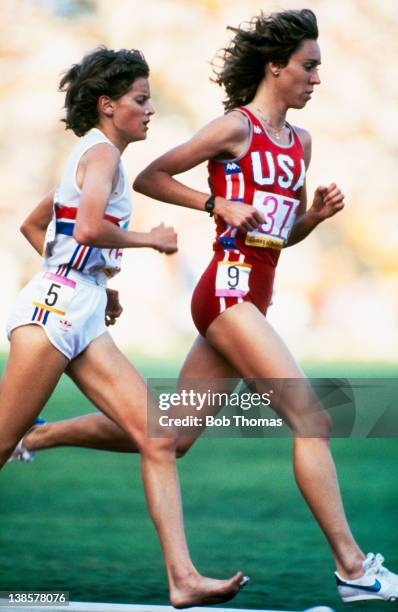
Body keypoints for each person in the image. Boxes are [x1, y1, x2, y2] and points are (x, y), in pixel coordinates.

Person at [8, 11, 398, 604]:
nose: (317, 78)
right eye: (309, 66)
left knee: (170, 436)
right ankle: (353, 568)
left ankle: (39, 437)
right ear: (276, 67)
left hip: (245, 297)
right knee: (313, 420)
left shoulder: (303, 144)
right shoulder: (231, 129)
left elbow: (276, 235)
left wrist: (312, 217)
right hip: (224, 293)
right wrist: (214, 203)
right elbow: (153, 178)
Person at [0, 47, 249, 608]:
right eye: (140, 99)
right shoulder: (103, 157)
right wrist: (149, 240)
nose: (150, 109)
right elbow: (87, 228)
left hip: (77, 309)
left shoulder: (94, 155)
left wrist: (90, 280)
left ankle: (183, 579)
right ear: (108, 105)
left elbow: (36, 224)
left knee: (158, 438)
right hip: (53, 317)